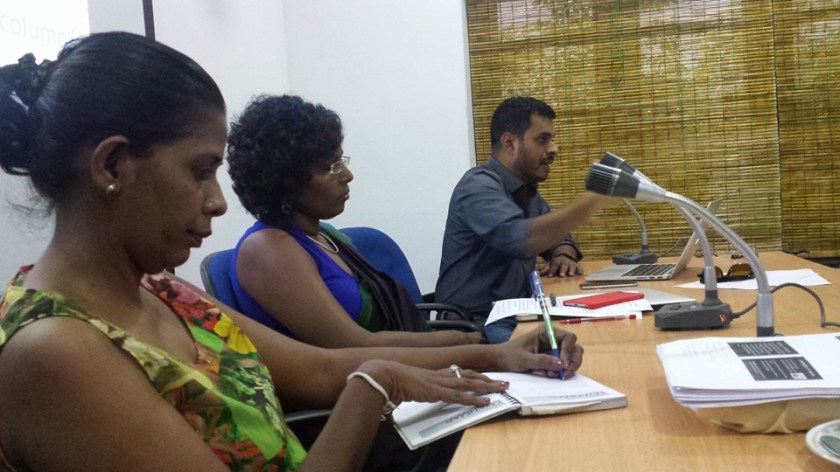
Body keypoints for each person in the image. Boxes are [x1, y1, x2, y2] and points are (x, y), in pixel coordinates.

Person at [0, 33, 583, 472]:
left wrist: (496, 356)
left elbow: (323, 367)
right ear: (111, 165)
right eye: (200, 171)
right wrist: (376, 384)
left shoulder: (163, 291)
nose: (218, 202)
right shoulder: (53, 351)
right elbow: (354, 367)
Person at [227, 94, 483, 348]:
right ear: (285, 180)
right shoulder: (267, 249)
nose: (347, 175)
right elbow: (355, 346)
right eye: (330, 166)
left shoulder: (324, 234)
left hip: (387, 368)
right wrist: (468, 344)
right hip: (348, 382)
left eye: (341, 161)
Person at [436, 96, 609, 344]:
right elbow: (522, 239)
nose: (553, 149)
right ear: (510, 143)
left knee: (594, 335)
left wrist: (563, 255)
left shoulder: (525, 190)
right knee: (579, 351)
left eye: (552, 139)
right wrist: (593, 198)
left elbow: (557, 236)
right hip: (476, 325)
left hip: (517, 313)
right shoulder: (477, 187)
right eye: (542, 139)